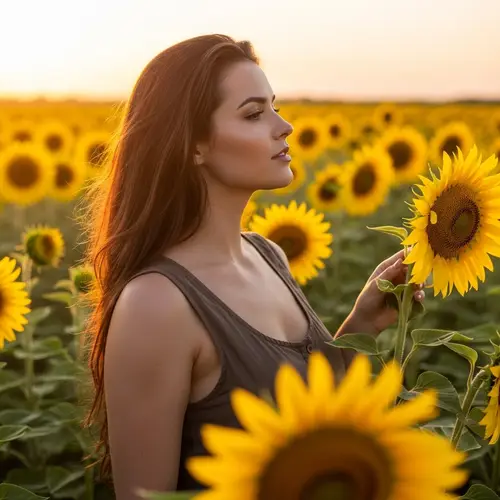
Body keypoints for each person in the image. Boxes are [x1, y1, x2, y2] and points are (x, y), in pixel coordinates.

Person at [82, 34, 425, 499]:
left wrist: (362, 322)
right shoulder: (156, 305)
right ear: (193, 146)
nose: (283, 126)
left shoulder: (268, 255)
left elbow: (314, 408)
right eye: (253, 113)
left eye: (274, 107)